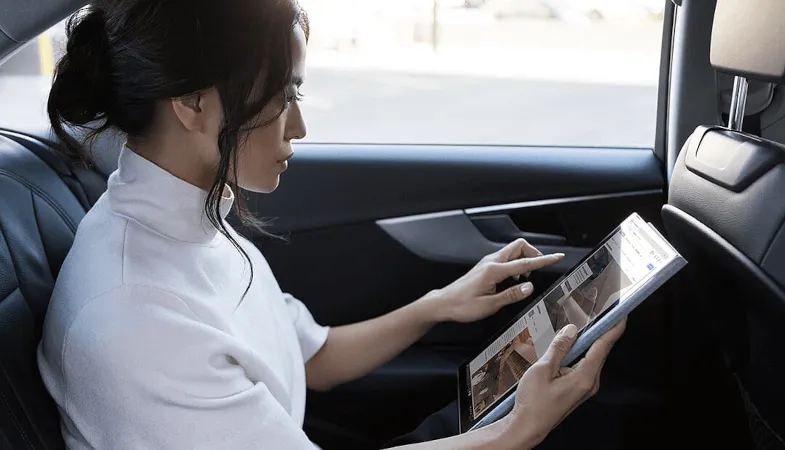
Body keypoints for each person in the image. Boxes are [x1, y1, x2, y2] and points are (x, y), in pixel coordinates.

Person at [37, 1, 626, 449]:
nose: (298, 126)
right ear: (192, 103)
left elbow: (311, 357)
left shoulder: (189, 224)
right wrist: (513, 434)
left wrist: (439, 304)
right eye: (283, 94)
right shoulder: (137, 318)